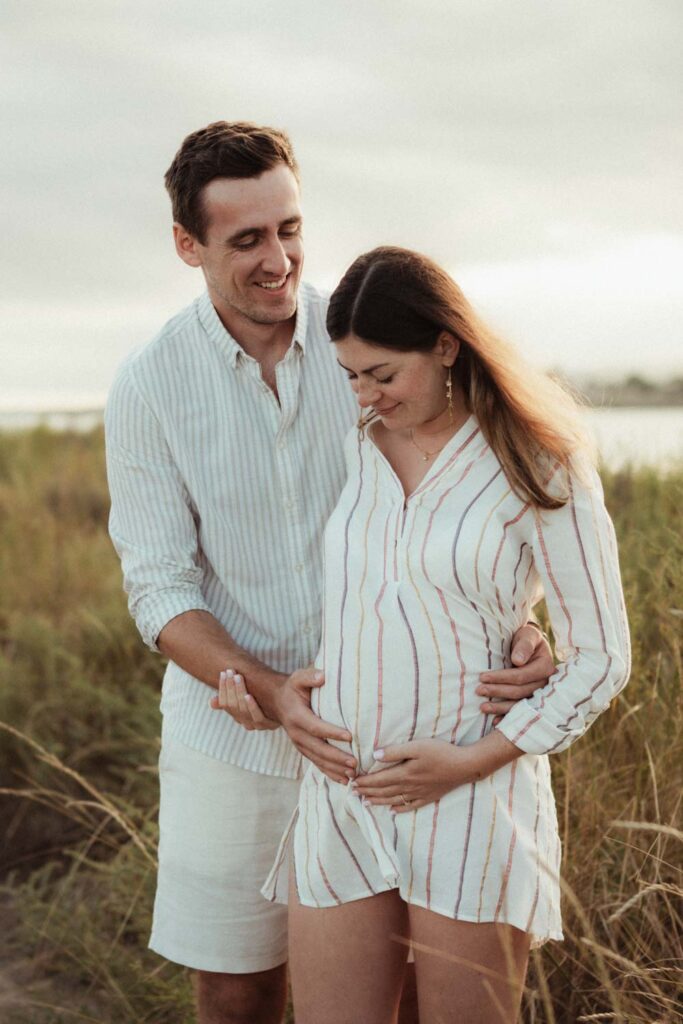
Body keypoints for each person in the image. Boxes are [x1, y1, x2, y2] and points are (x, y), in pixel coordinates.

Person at [104, 123, 555, 1024]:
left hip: (399, 730)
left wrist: (522, 619)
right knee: (237, 994)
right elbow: (158, 588)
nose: (278, 260)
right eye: (246, 240)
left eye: (290, 229)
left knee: (396, 990)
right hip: (231, 737)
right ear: (187, 246)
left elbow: (472, 493)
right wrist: (268, 691)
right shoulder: (148, 385)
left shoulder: (367, 345)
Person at [254, 247, 631, 1024]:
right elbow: (372, 593)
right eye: (350, 375)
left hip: (471, 798)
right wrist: (291, 680)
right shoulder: (352, 448)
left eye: (383, 374)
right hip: (344, 793)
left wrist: (472, 760)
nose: (365, 394)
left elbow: (601, 658)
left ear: (445, 347)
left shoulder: (539, 461)